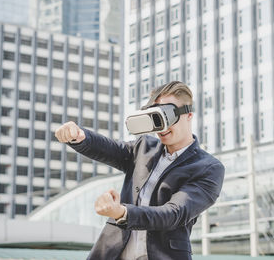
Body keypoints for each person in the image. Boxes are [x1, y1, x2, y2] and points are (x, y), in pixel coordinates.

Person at [55, 81, 225, 260]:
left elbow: (174, 214)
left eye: (169, 114)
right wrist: (79, 136)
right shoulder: (143, 147)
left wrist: (122, 213)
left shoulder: (209, 168)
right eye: (156, 116)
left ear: (188, 115)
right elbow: (108, 148)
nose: (163, 126)